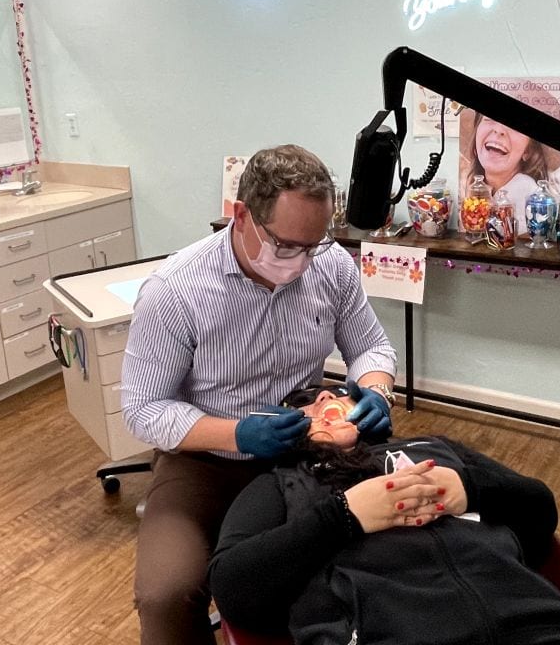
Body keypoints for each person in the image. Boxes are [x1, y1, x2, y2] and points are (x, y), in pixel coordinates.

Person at [121, 144, 399, 644]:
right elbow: (144, 410)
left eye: (313, 244)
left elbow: (372, 347)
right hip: (207, 457)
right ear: (242, 215)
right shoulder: (176, 291)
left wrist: (377, 392)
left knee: (370, 560)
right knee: (166, 592)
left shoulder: (330, 265)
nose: (300, 262)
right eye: (286, 245)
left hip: (307, 450)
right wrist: (238, 432)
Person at [210, 384, 560, 645]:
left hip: (532, 627)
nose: (324, 397)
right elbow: (232, 588)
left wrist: (469, 487)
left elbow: (540, 513)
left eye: (339, 392)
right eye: (303, 403)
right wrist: (345, 515)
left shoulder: (434, 448)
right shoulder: (283, 483)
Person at [459, 82, 560, 234]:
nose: (499, 130)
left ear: (528, 151)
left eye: (515, 125)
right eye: (490, 117)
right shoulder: (472, 193)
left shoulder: (528, 197)